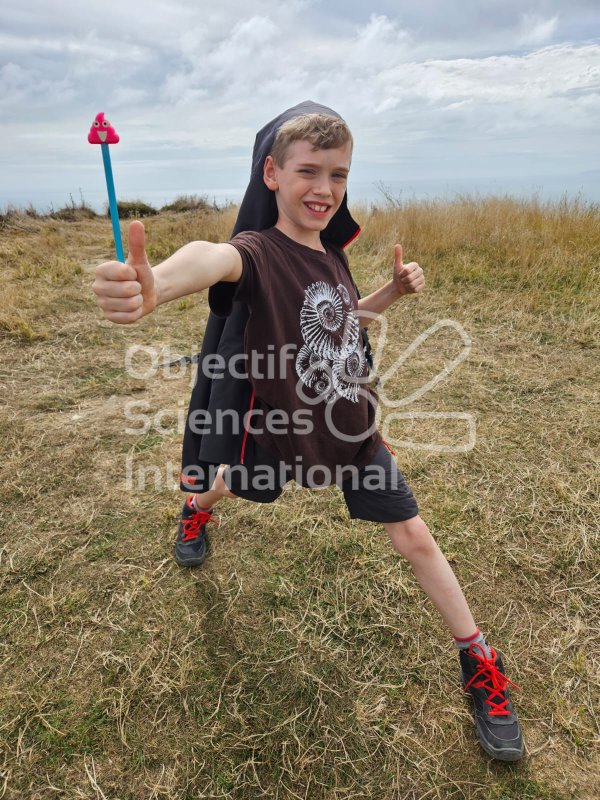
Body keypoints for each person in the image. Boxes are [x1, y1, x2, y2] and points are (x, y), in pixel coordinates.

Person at [92, 101, 524, 762]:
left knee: (413, 534)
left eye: (339, 175)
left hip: (349, 425)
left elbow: (338, 315)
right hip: (279, 425)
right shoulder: (255, 253)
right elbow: (208, 260)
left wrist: (389, 295)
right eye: (308, 171)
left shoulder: (328, 252)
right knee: (234, 483)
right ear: (271, 174)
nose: (324, 189)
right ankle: (193, 511)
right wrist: (157, 286)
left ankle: (479, 660)